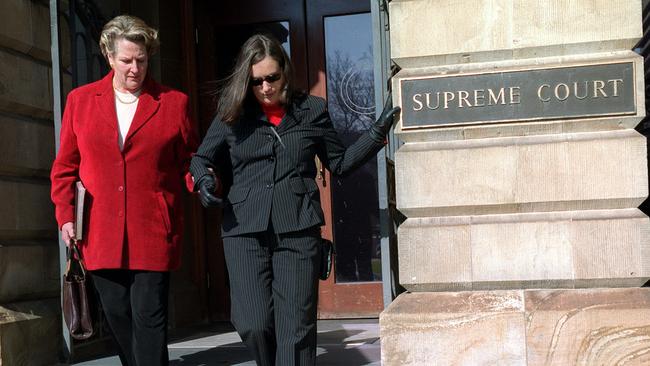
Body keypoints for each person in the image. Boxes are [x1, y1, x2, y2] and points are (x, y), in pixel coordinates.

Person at [190, 33, 400, 366]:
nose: (265, 88)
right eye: (256, 81)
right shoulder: (232, 114)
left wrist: (377, 133)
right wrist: (204, 181)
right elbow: (201, 157)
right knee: (253, 323)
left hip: (298, 228)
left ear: (284, 72)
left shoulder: (312, 111)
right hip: (243, 229)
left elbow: (340, 163)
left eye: (271, 77)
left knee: (296, 328)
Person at [50, 15, 198, 366]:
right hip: (99, 230)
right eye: (127, 60)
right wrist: (66, 216)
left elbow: (189, 160)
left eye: (142, 60)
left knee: (149, 318)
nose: (135, 68)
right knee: (117, 316)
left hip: (153, 229)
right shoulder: (80, 101)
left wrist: (205, 182)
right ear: (109, 56)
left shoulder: (173, 102)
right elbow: (65, 168)